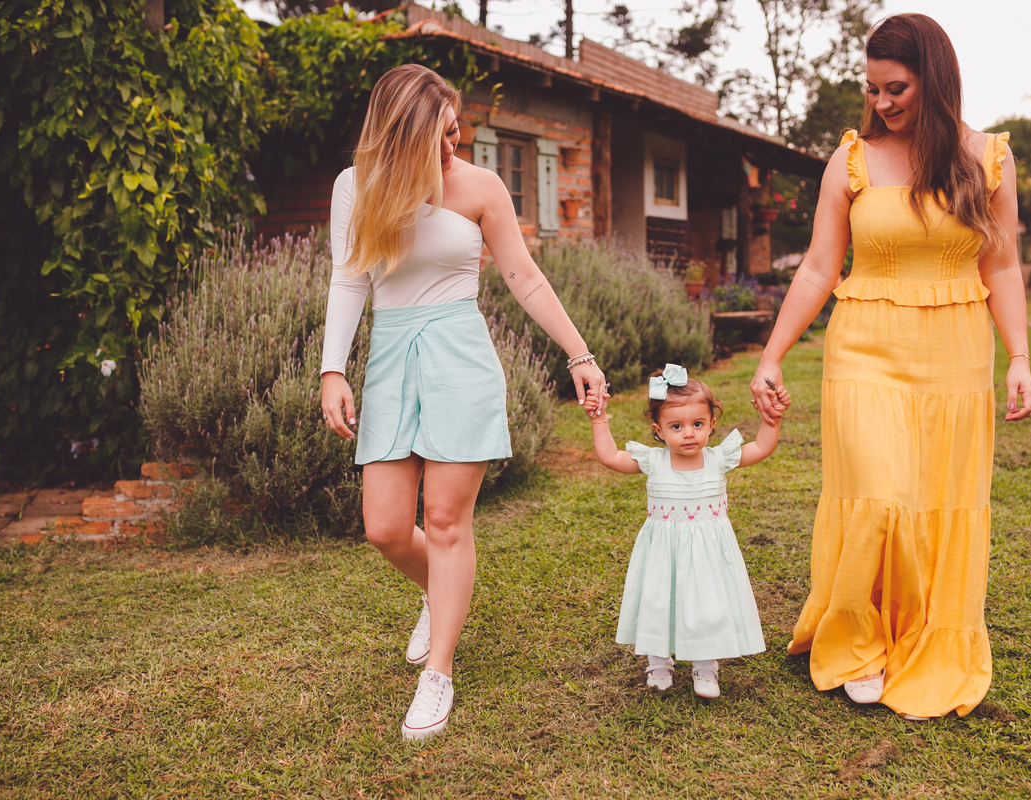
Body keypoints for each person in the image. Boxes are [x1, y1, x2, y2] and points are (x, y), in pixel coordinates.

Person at [749, 13, 1031, 720]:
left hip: (955, 354)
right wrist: (772, 354)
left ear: (934, 80)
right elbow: (821, 265)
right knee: (878, 494)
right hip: (864, 346)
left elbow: (1001, 265)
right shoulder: (850, 159)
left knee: (934, 501)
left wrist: (1019, 358)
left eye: (896, 87)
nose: (881, 103)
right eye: (873, 88)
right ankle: (858, 636)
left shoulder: (988, 158)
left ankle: (918, 633)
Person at [320, 64, 607, 741]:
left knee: (447, 523)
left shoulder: (480, 186)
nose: (453, 148)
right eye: (440, 137)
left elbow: (523, 276)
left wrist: (580, 353)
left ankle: (439, 671)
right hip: (391, 358)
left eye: (457, 133)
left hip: (459, 356)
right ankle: (437, 593)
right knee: (385, 527)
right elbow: (348, 278)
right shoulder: (354, 187)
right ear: (402, 136)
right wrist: (333, 369)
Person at [583, 364, 791, 698]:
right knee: (659, 600)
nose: (689, 433)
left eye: (697, 424)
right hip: (664, 551)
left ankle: (706, 665)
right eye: (676, 426)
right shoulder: (653, 461)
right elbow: (609, 456)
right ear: (659, 430)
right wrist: (598, 419)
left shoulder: (718, 458)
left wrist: (772, 420)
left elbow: (761, 448)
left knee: (707, 603)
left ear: (712, 424)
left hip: (708, 553)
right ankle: (659, 659)